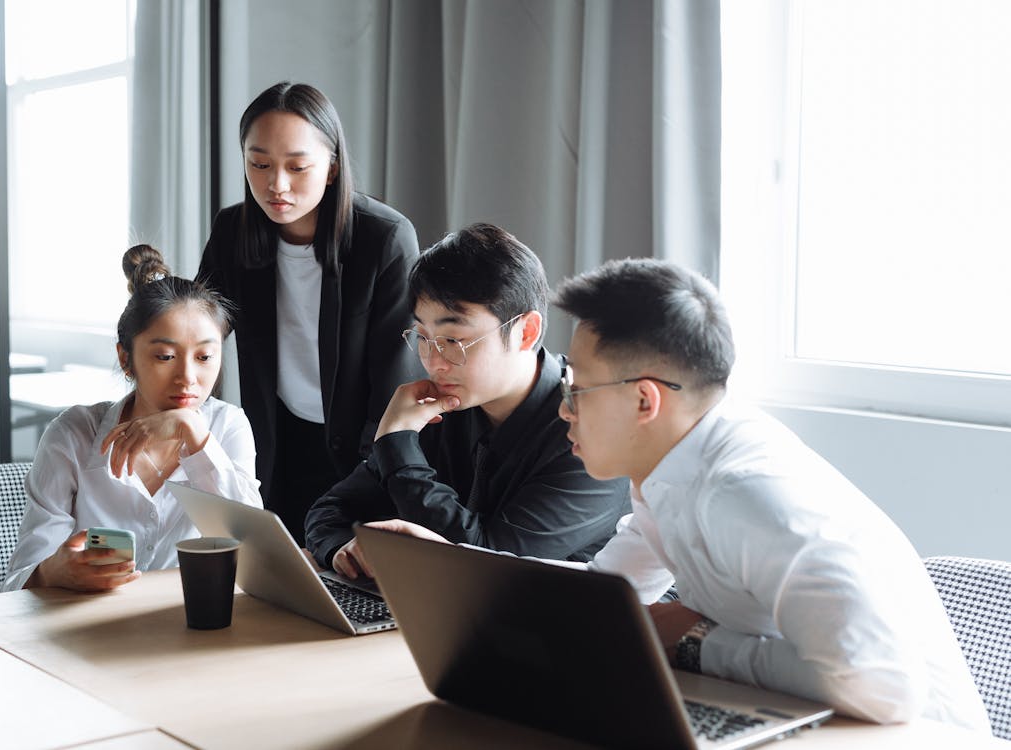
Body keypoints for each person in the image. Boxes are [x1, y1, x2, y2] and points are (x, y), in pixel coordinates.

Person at [352, 258, 991, 732]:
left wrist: (694, 642)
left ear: (645, 399)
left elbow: (883, 688)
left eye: (577, 389)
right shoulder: (668, 471)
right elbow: (604, 593)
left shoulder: (749, 495)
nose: (565, 409)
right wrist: (456, 565)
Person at [304, 223, 630, 577]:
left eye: (453, 340)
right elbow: (332, 509)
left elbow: (488, 560)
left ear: (526, 332)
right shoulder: (446, 404)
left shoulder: (591, 429)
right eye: (424, 337)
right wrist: (340, 551)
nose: (432, 361)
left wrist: (397, 446)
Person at [196, 81, 421, 546]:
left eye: (298, 167)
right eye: (259, 164)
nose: (277, 185)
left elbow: (393, 381)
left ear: (332, 167)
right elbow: (197, 331)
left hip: (364, 452)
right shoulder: (232, 233)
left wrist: (372, 473)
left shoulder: (384, 239)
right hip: (276, 442)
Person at [1, 245, 263, 592]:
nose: (187, 377)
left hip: (195, 630)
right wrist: (53, 572)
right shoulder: (73, 435)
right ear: (125, 359)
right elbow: (17, 582)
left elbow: (256, 555)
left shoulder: (227, 427)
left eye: (204, 356)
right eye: (166, 356)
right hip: (88, 632)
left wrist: (194, 435)